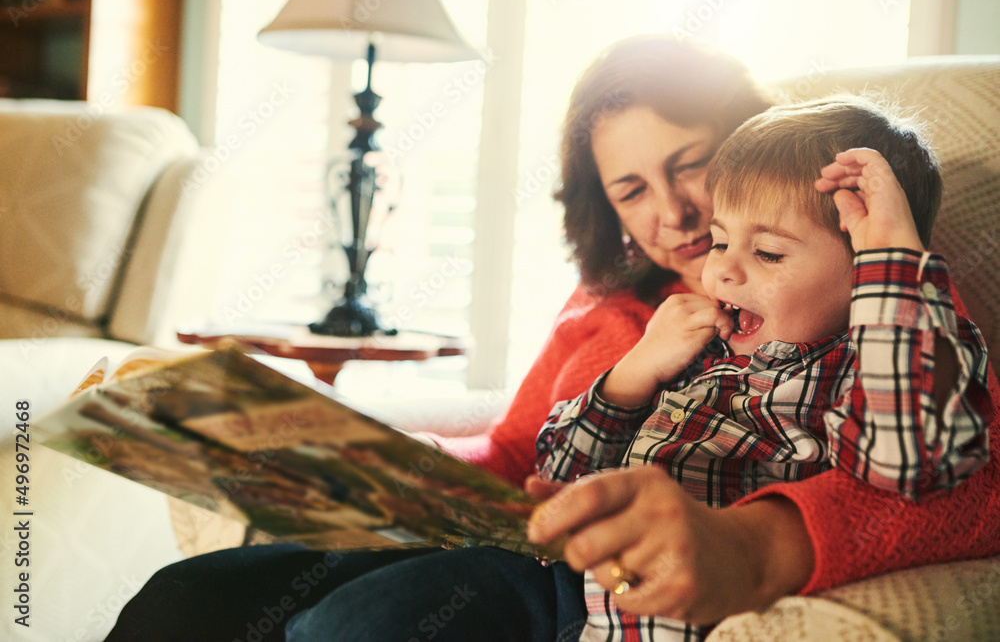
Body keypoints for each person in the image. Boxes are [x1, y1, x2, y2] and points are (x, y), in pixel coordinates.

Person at [104, 36, 1000, 642]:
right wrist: (367, 452)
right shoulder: (617, 307)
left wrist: (764, 543)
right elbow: (519, 450)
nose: (677, 213)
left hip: (564, 573)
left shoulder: (878, 306)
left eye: (692, 167)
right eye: (632, 189)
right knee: (190, 596)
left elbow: (952, 460)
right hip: (507, 532)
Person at [529, 95, 991, 640]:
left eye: (768, 253)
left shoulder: (881, 358)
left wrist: (889, 260)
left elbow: (910, 464)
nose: (721, 270)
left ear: (865, 274)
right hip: (579, 599)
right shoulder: (697, 351)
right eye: (721, 241)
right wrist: (633, 375)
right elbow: (552, 475)